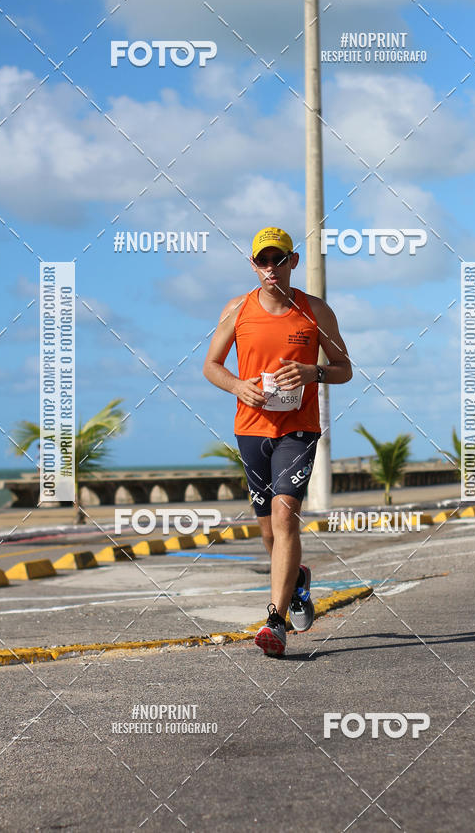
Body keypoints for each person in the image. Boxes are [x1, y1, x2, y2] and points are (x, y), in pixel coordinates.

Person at [203, 227, 352, 656]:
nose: (271, 268)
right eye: (263, 261)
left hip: (299, 429)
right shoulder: (237, 310)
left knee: (286, 519)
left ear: (293, 261)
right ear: (253, 265)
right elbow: (211, 365)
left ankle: (275, 620)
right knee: (269, 531)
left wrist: (312, 373)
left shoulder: (315, 311)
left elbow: (344, 368)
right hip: (251, 430)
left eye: (279, 259)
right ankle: (298, 579)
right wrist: (237, 386)